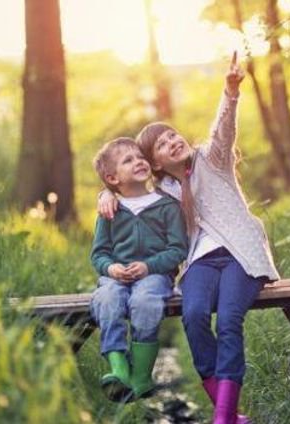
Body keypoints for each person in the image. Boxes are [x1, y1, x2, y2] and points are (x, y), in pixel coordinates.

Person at [99, 53, 279, 424]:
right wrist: (106, 195)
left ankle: (224, 416)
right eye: (162, 145)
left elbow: (223, 130)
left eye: (172, 135)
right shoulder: (162, 194)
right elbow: (130, 193)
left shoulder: (211, 160)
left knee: (229, 318)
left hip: (240, 256)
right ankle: (228, 413)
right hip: (199, 262)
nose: (172, 141)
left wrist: (230, 91)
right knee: (194, 316)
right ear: (156, 163)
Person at [90, 137, 189, 402]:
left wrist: (149, 266)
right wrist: (110, 269)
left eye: (139, 156)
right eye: (128, 160)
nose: (139, 161)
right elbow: (99, 253)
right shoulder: (109, 210)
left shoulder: (167, 206)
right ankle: (119, 369)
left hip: (155, 275)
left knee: (144, 301)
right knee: (107, 298)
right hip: (116, 277)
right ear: (112, 178)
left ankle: (142, 375)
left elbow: (178, 249)